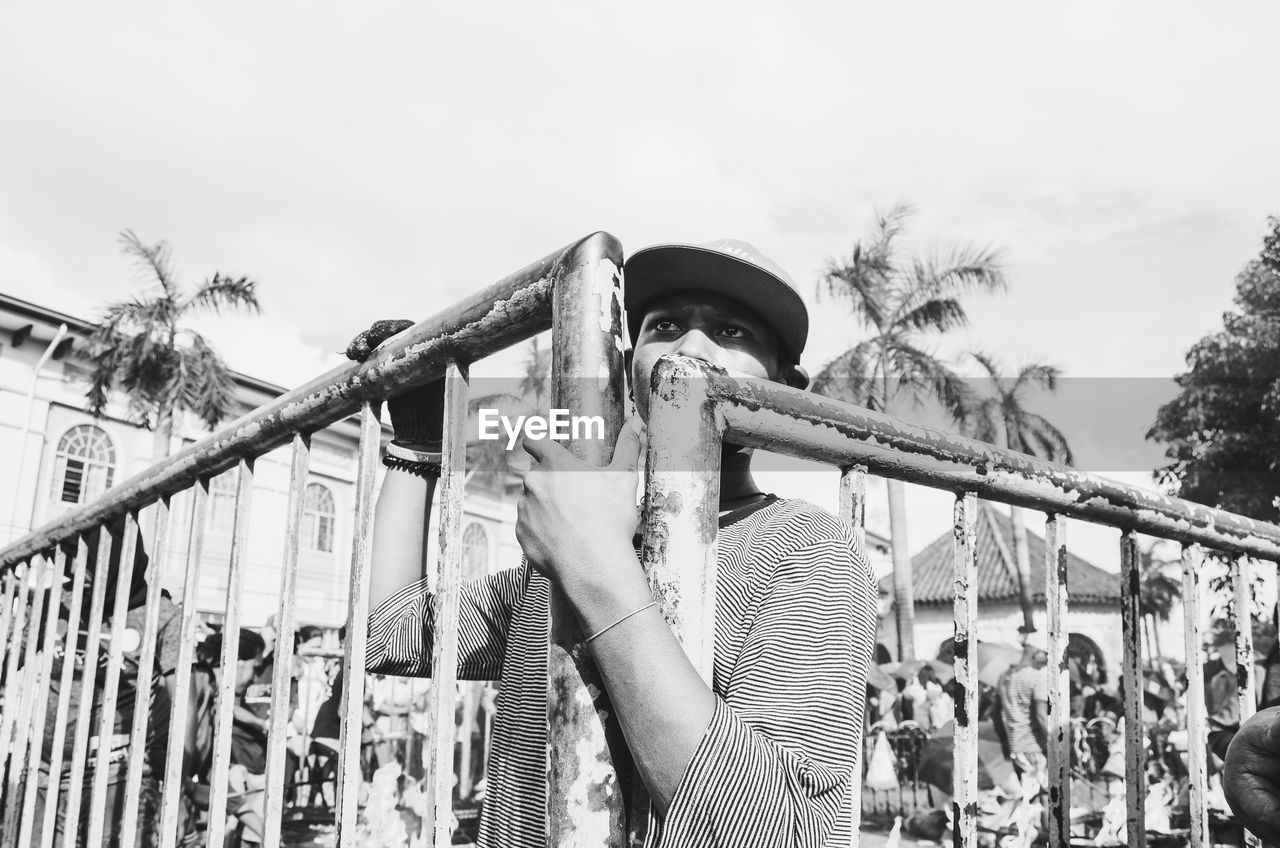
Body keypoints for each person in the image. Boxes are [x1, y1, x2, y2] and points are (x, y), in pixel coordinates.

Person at [352, 239, 879, 847]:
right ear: (630, 364)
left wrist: (596, 564)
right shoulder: (566, 535)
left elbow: (779, 830)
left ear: (785, 387)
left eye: (732, 332)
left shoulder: (806, 548)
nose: (689, 349)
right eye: (667, 326)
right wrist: (417, 450)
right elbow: (386, 637)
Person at [32, 519, 182, 848]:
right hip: (46, 775)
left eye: (88, 560)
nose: (76, 571)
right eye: (73, 559)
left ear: (116, 560)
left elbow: (180, 699)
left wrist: (170, 767)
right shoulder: (58, 602)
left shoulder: (160, 614)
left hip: (117, 777)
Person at [996, 632, 1050, 795]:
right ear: (1035, 652)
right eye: (1045, 654)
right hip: (1035, 746)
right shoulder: (1038, 677)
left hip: (1016, 746)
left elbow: (997, 715)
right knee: (1046, 795)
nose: (1047, 659)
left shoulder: (1004, 677)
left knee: (1028, 795)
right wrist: (1056, 743)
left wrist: (1006, 743)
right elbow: (1041, 717)